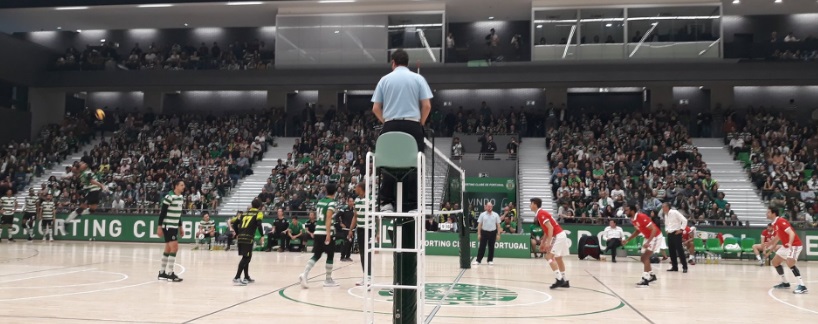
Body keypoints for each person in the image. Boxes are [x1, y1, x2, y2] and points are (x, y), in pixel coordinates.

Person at [371, 49, 432, 321]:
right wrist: (418, 125)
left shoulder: (385, 79)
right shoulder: (418, 79)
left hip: (390, 126)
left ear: (392, 62)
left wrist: (387, 122)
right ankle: (411, 204)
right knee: (414, 165)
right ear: (407, 62)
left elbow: (375, 108)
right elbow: (427, 106)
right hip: (412, 126)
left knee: (386, 164)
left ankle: (385, 201)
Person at [299, 182, 339, 289]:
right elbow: (328, 218)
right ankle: (328, 279)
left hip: (317, 231)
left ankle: (305, 274)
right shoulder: (332, 203)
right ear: (335, 192)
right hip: (326, 233)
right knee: (330, 255)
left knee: (317, 254)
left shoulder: (320, 201)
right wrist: (328, 234)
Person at [765, 208, 807, 294]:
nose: (766, 213)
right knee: (775, 262)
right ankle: (785, 283)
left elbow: (791, 233)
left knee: (790, 262)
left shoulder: (781, 221)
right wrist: (770, 244)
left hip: (794, 244)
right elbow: (778, 237)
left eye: (768, 212)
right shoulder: (775, 223)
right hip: (786, 246)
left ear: (774, 213)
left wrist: (790, 243)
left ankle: (802, 286)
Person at [530, 198, 570, 289]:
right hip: (561, 234)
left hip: (558, 235)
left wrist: (548, 243)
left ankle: (560, 279)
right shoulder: (540, 214)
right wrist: (542, 242)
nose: (530, 205)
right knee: (558, 258)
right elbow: (546, 230)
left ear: (535, 204)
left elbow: (550, 228)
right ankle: (564, 280)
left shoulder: (541, 214)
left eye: (531, 203)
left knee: (548, 256)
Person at [622, 204, 662, 287]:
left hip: (655, 237)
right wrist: (627, 240)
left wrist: (648, 242)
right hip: (648, 237)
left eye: (627, 210)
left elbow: (654, 229)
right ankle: (651, 275)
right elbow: (637, 231)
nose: (625, 212)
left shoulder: (641, 217)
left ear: (632, 211)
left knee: (644, 257)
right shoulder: (633, 219)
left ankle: (645, 279)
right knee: (644, 258)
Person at [157, 180, 185, 282]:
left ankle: (162, 272)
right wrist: (159, 226)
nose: (183, 187)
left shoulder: (181, 198)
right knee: (175, 248)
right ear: (176, 186)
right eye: (181, 185)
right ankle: (170, 273)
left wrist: (180, 227)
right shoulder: (169, 197)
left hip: (174, 225)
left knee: (168, 249)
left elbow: (178, 214)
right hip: (168, 225)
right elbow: (162, 213)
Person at [65, 156, 108, 224]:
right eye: (82, 163)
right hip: (92, 190)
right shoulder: (85, 173)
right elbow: (92, 181)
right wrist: (102, 185)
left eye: (84, 163)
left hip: (95, 191)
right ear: (80, 168)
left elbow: (77, 168)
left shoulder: (84, 171)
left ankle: (78, 214)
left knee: (92, 209)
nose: (84, 163)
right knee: (83, 207)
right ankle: (67, 221)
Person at [231, 199, 264, 286]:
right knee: (246, 258)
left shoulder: (244, 213)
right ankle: (237, 277)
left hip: (241, 237)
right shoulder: (258, 213)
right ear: (260, 207)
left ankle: (246, 277)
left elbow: (233, 222)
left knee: (247, 256)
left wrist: (237, 233)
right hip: (248, 238)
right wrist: (262, 235)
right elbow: (259, 224)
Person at [662, 203, 688, 273]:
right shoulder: (665, 215)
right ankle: (674, 267)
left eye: (663, 207)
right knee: (671, 251)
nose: (662, 209)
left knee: (680, 251)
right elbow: (666, 224)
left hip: (676, 233)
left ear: (667, 207)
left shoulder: (675, 212)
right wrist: (666, 230)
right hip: (670, 234)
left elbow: (685, 220)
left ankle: (684, 267)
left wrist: (681, 229)